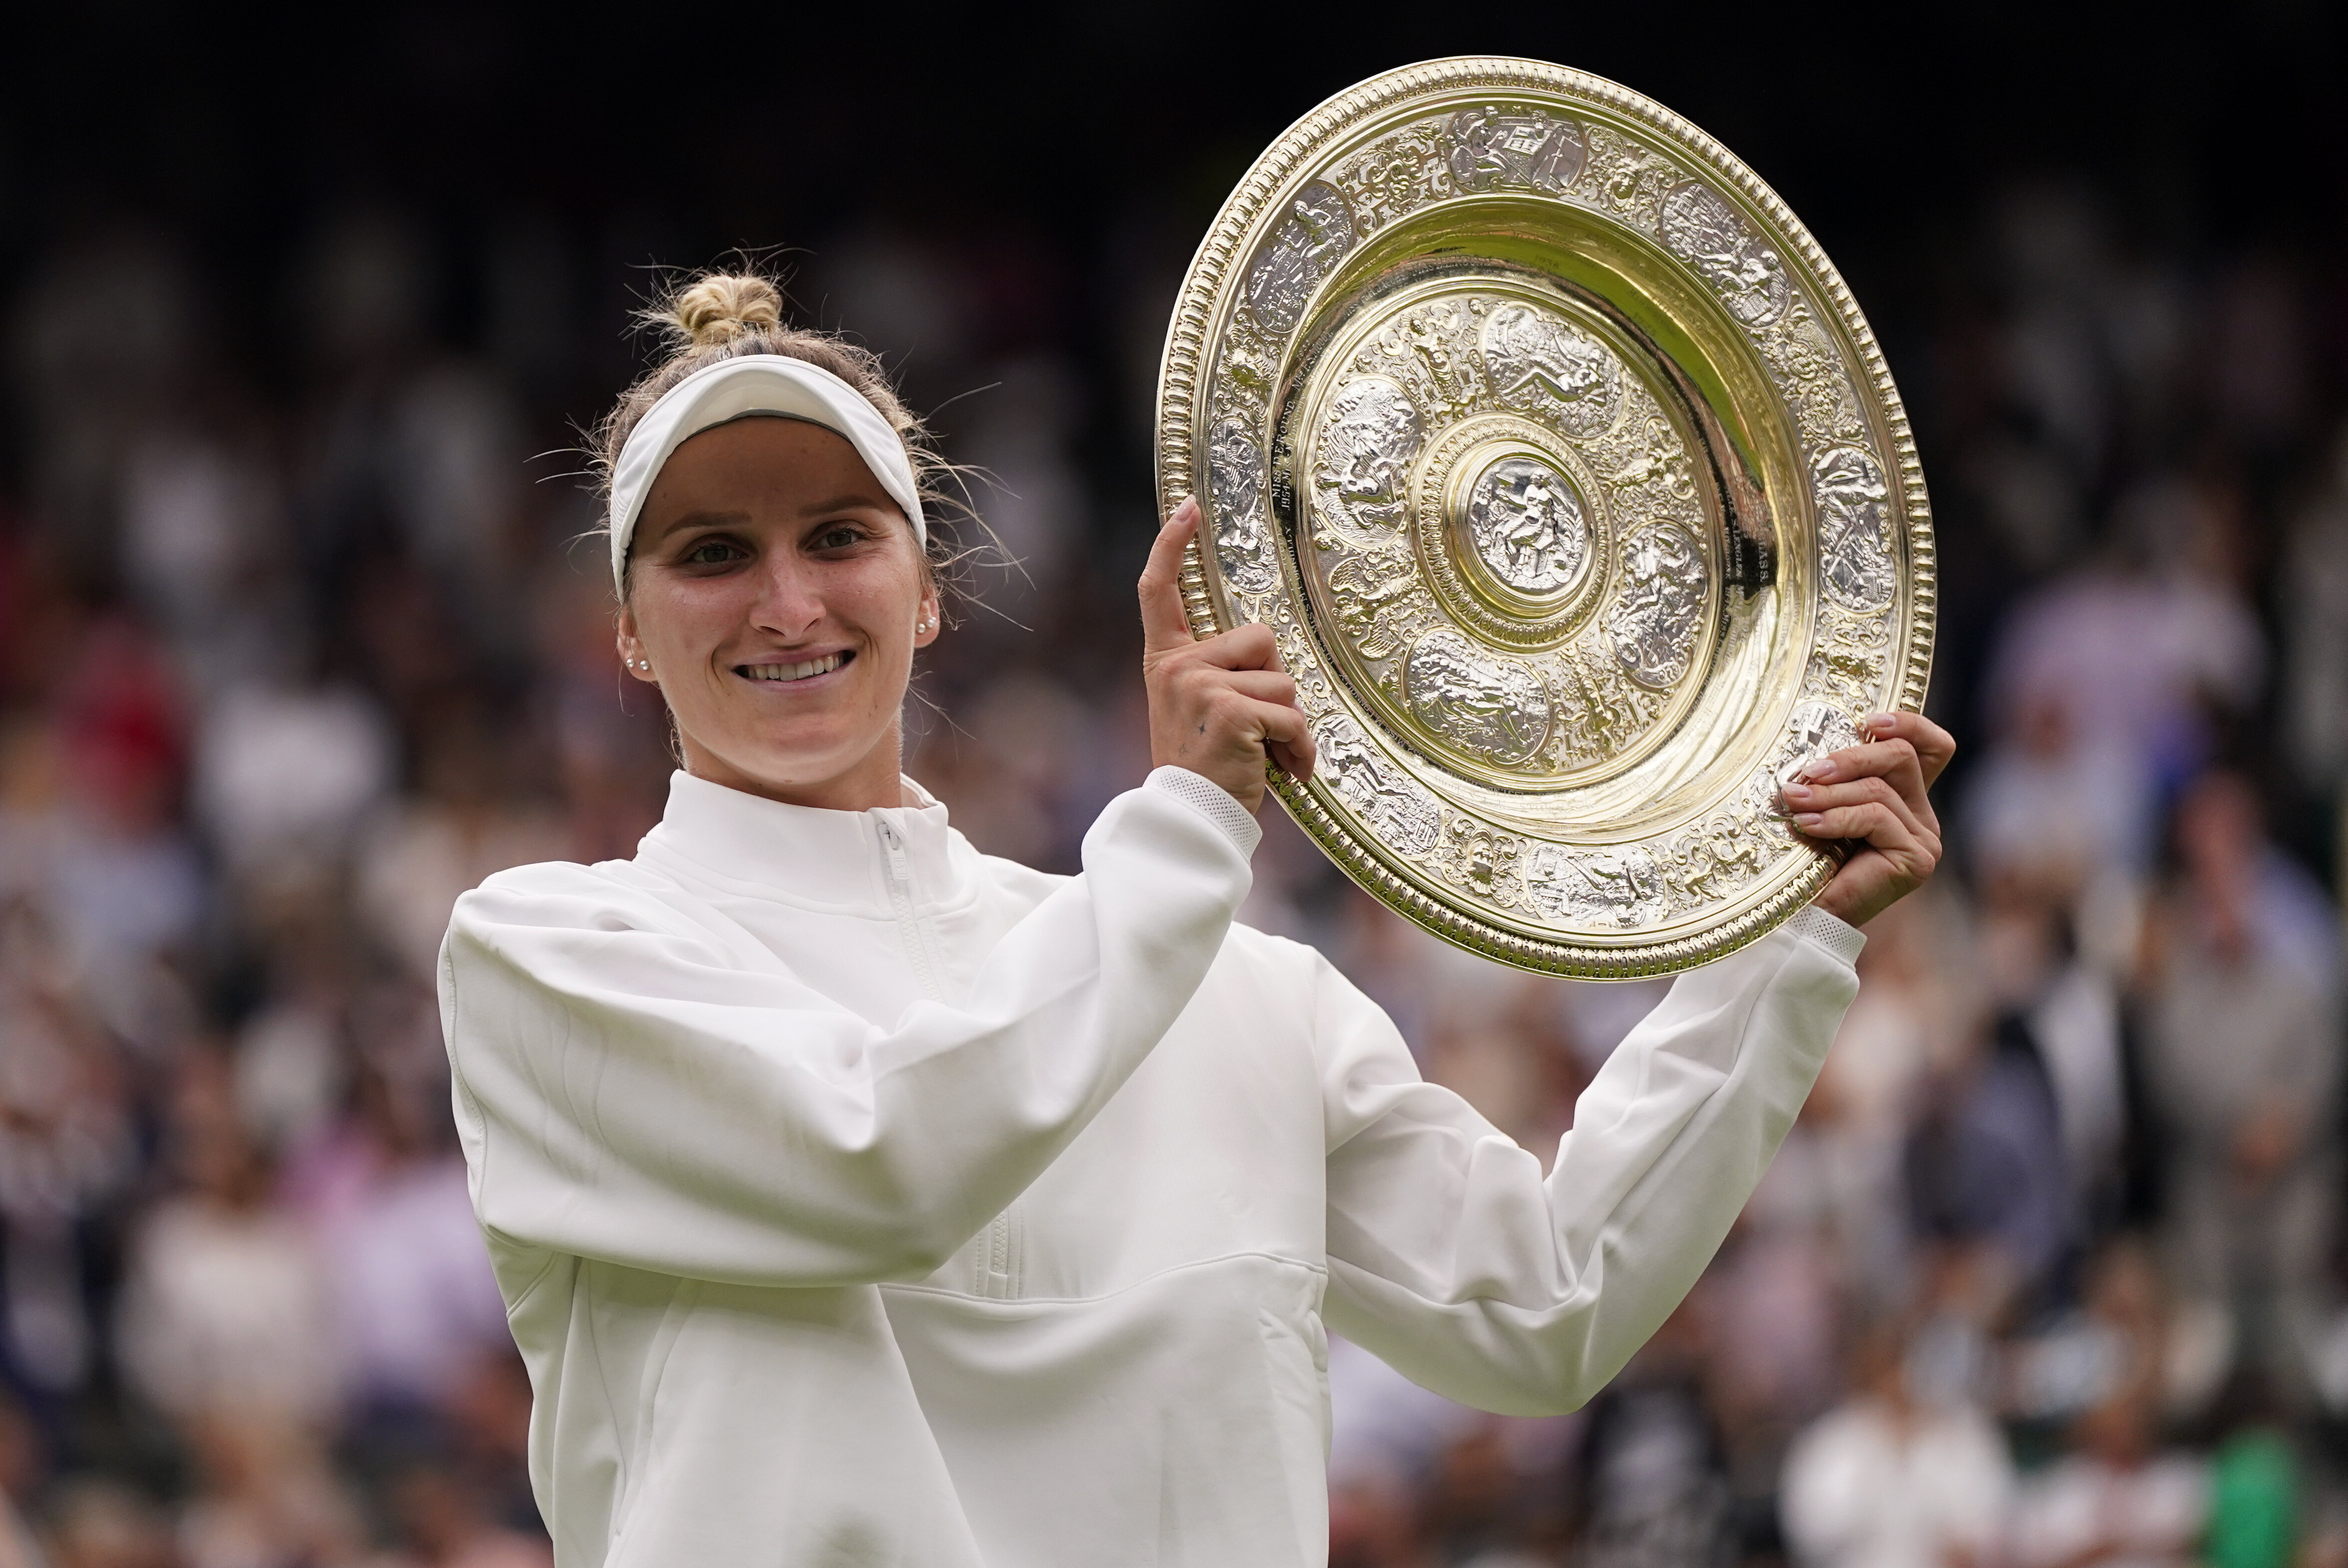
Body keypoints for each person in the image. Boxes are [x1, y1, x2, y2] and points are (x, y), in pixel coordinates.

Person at [436, 271, 1953, 1567]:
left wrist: (1783, 937)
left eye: (839, 537)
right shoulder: (553, 959)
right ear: (626, 633)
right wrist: (1181, 831)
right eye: (712, 556)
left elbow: (1544, 1306)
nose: (785, 604)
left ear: (929, 589)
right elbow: (882, 1158)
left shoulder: (1239, 991)